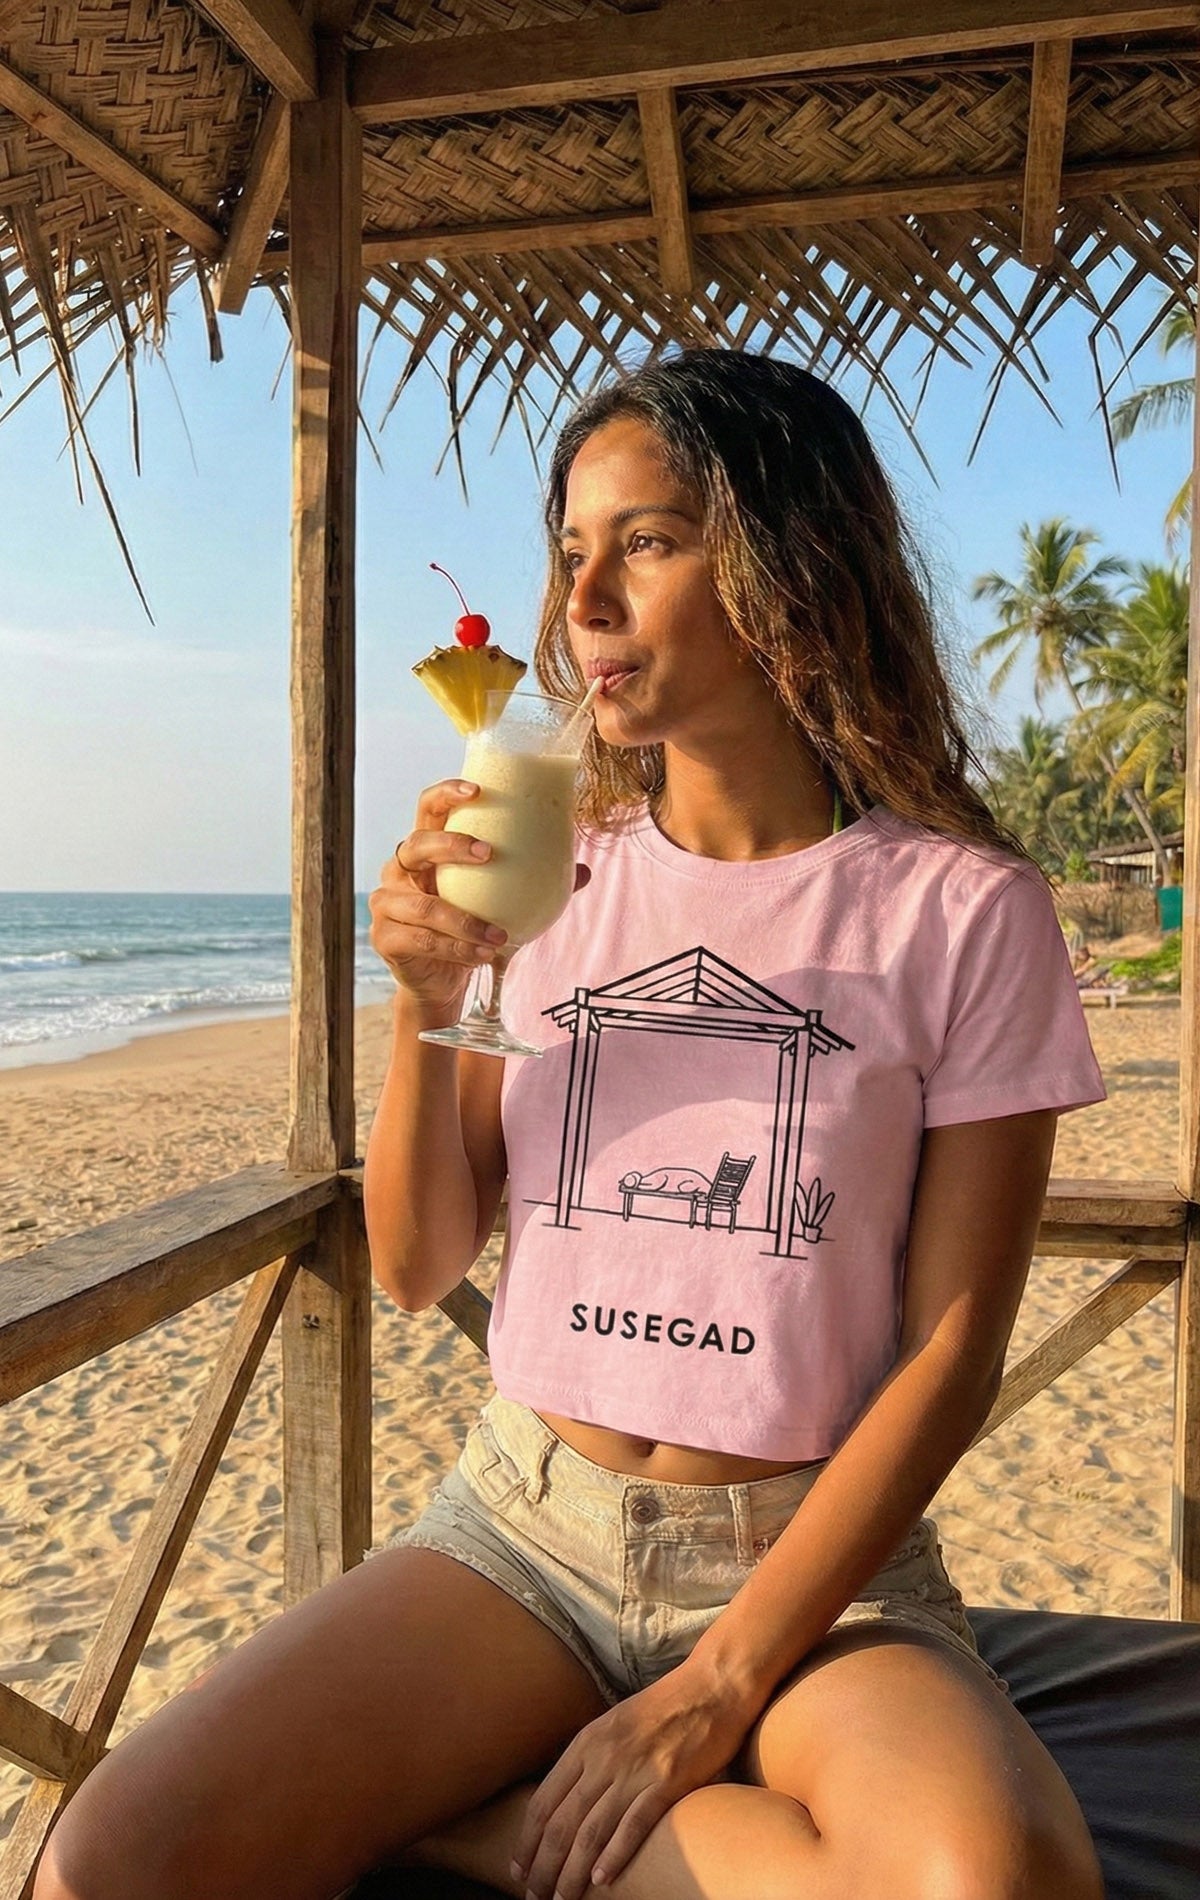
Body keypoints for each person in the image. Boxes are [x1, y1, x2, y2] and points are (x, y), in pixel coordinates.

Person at [35, 350, 1108, 1900]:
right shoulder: (551, 874)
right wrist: (423, 995)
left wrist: (719, 1689)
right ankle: (476, 1803)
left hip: (812, 1562)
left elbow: (949, 1357)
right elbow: (415, 1262)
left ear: (790, 569)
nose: (585, 598)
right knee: (108, 1859)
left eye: (650, 542)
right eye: (571, 551)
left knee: (996, 1884)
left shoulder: (960, 912)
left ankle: (459, 1816)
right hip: (530, 1530)